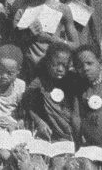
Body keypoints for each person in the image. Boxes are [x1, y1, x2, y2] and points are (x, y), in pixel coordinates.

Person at [12, 0, 78, 83]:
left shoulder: (62, 9)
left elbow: (76, 45)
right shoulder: (23, 10)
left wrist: (52, 39)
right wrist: (28, 34)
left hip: (54, 68)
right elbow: (14, 43)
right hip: (29, 69)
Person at [22, 42, 78, 170]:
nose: (60, 69)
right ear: (47, 62)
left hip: (65, 137)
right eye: (55, 64)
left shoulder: (71, 82)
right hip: (45, 135)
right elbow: (26, 103)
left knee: (58, 166)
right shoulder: (39, 82)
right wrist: (39, 121)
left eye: (64, 65)